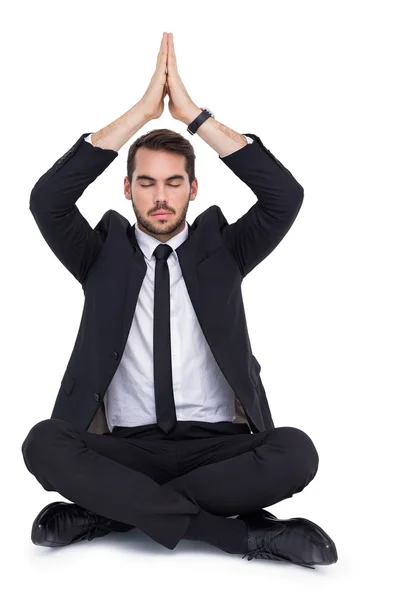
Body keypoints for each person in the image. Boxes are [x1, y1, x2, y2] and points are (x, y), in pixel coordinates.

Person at [21, 31, 337, 569]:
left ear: (194, 189)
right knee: (44, 443)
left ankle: (115, 514)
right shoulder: (98, 257)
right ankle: (239, 537)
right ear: (127, 190)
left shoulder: (227, 251)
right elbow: (47, 200)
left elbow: (285, 195)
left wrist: (192, 116)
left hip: (219, 447)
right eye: (146, 183)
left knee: (296, 452)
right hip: (129, 449)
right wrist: (141, 115)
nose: (160, 197)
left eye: (173, 183)